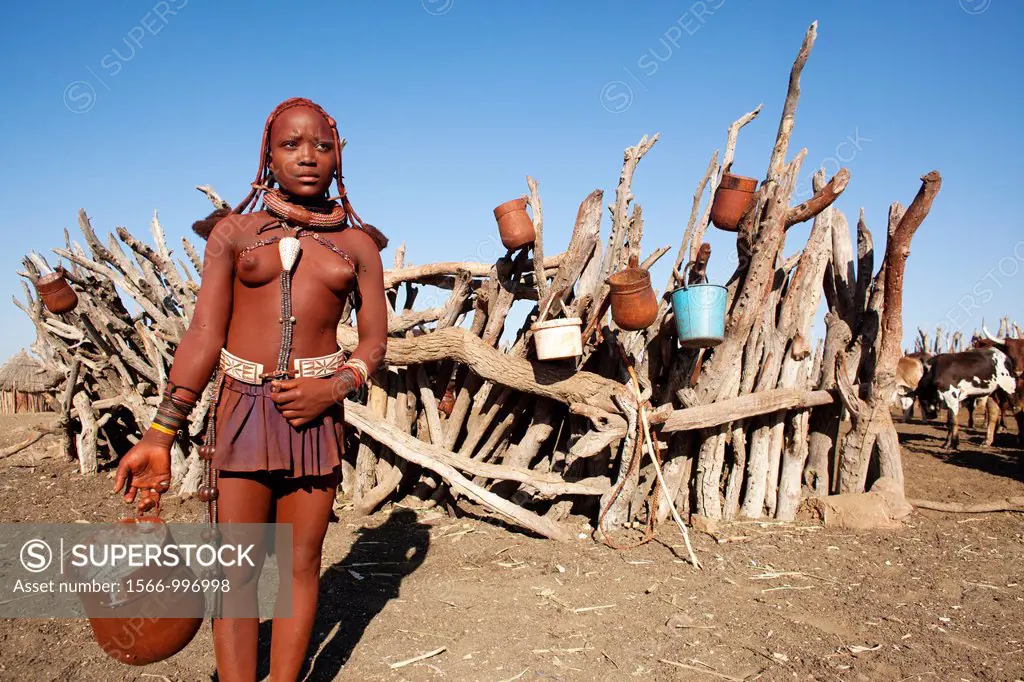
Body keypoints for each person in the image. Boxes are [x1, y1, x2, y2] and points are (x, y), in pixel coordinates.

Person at [113, 97, 389, 680]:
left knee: (301, 564)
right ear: (266, 154)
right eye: (291, 145)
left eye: (322, 145)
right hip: (241, 410)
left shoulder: (358, 245)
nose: (308, 157)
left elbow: (373, 346)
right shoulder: (235, 234)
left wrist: (333, 388)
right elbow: (205, 335)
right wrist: (160, 433)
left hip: (315, 418)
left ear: (340, 155)